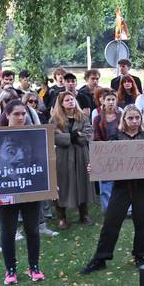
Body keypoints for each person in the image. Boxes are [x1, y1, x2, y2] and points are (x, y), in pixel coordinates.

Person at [80, 105, 144, 274]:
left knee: (142, 221)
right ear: (124, 120)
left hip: (143, 186)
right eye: (130, 118)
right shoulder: (115, 137)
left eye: (137, 118)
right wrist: (95, 168)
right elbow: (106, 161)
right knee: (111, 221)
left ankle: (139, 255)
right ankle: (101, 258)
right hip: (122, 187)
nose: (134, 121)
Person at [0, 100, 45, 284]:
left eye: (23, 114)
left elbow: (44, 160)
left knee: (32, 229)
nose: (21, 117)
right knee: (8, 231)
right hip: (3, 188)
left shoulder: (34, 135)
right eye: (16, 114)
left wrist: (49, 182)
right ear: (7, 114)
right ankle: (10, 270)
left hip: (30, 188)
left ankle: (34, 267)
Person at [50, 91, 93, 230]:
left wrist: (76, 137)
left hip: (81, 154)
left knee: (82, 180)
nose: (70, 101)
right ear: (61, 103)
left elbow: (88, 134)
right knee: (62, 183)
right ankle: (61, 217)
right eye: (67, 100)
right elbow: (53, 137)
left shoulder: (83, 117)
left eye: (72, 99)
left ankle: (83, 213)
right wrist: (70, 137)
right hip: (63, 155)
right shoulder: (55, 119)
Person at [92, 89, 121, 211]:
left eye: (113, 99)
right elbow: (96, 137)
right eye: (108, 99)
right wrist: (106, 147)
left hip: (120, 153)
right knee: (105, 183)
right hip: (103, 154)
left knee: (122, 182)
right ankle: (108, 209)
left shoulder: (121, 116)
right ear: (103, 101)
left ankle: (126, 209)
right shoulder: (98, 119)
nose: (111, 102)